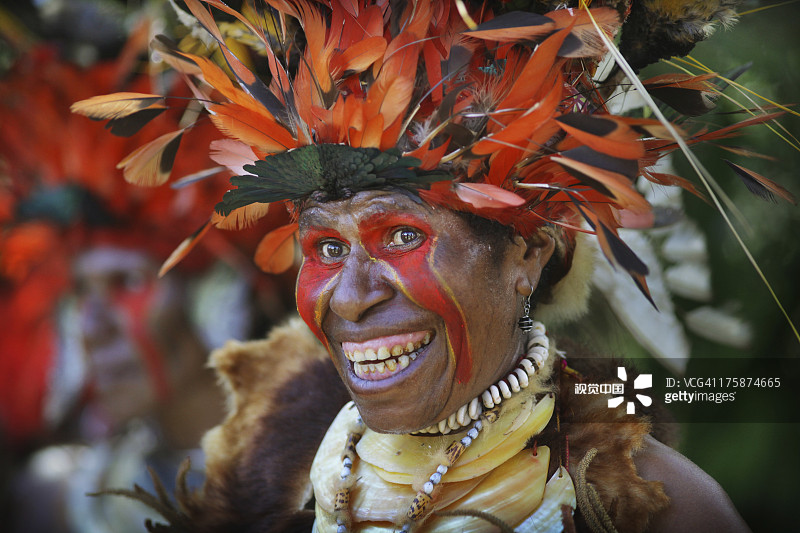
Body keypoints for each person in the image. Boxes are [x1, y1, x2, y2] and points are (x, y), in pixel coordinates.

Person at [72, 0, 791, 531]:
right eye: (327, 248)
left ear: (527, 254)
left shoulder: (657, 507)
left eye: (400, 237)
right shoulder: (271, 478)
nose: (349, 297)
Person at [0, 40, 289, 532]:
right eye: (80, 292)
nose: (92, 327)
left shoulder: (340, 470)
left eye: (125, 283)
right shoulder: (58, 499)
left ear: (217, 298)